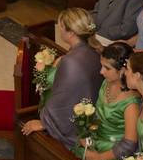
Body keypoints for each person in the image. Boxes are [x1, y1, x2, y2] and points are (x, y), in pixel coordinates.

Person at [20, 8, 103, 149]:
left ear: (71, 33)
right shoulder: (93, 50)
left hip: (75, 127)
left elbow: (62, 100)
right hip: (92, 114)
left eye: (61, 27)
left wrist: (44, 123)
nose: (59, 30)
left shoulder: (70, 61)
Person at [73, 43, 141, 160]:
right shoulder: (106, 82)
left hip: (112, 155)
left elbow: (129, 144)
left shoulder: (131, 104)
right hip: (95, 141)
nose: (101, 71)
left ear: (123, 71)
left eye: (107, 68)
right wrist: (85, 134)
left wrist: (98, 157)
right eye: (101, 66)